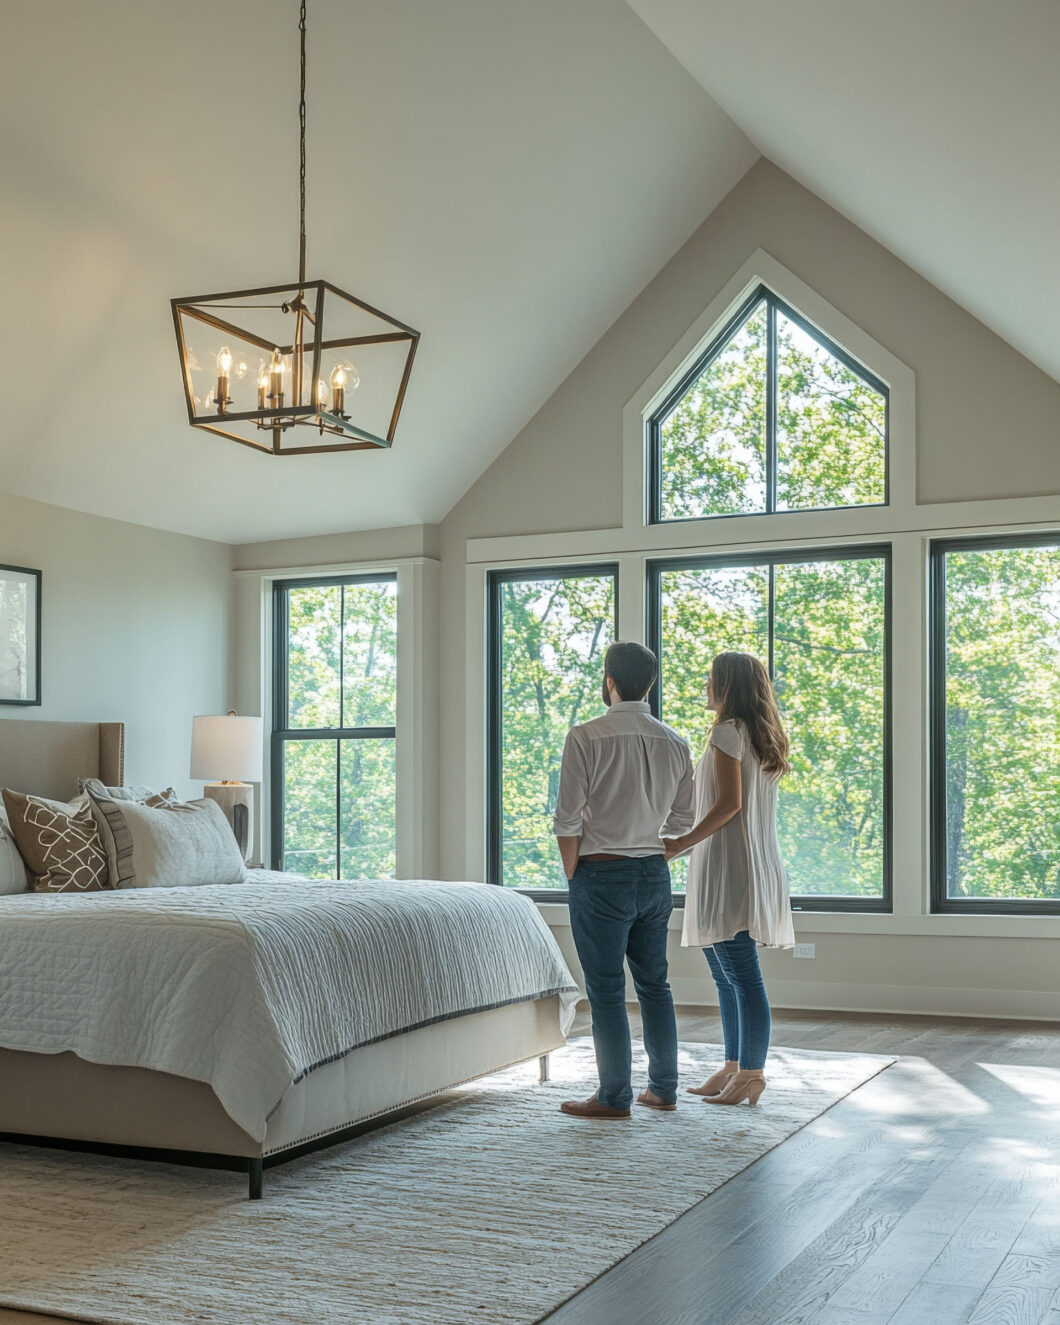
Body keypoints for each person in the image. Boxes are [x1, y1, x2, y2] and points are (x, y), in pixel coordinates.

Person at [553, 641, 695, 1120]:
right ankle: (663, 1089)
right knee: (656, 985)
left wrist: (575, 875)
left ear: (609, 681)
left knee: (608, 989)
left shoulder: (586, 735)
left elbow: (567, 819)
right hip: (654, 876)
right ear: (649, 683)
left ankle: (613, 1097)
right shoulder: (675, 740)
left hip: (600, 872)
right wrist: (656, 852)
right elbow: (684, 818)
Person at [664, 651, 794, 1106]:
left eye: (711, 678)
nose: (706, 685)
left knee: (739, 972)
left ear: (728, 685)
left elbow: (727, 805)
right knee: (727, 973)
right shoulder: (760, 735)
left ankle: (752, 1072)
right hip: (750, 858)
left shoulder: (726, 732)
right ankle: (734, 1064)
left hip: (729, 861)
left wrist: (680, 844)